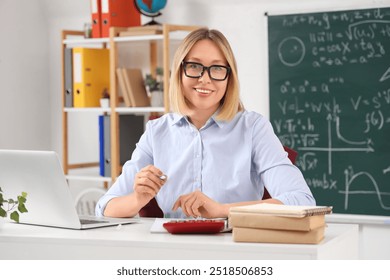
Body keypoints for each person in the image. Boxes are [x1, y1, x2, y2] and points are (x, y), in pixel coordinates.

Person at [96, 28, 315, 219]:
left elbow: (302, 201)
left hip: (236, 248)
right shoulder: (157, 132)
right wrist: (137, 199)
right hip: (172, 252)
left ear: (229, 77)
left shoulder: (253, 128)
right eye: (194, 66)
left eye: (217, 68)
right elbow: (104, 207)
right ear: (179, 72)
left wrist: (222, 210)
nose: (205, 79)